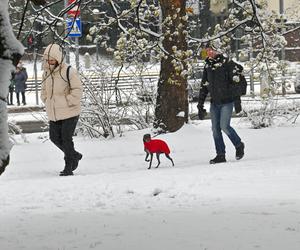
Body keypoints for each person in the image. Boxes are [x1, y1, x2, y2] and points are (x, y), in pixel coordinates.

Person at [197, 43, 245, 164]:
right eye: (207, 51)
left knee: (224, 126)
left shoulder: (227, 63)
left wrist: (237, 102)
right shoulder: (208, 65)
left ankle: (239, 145)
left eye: (211, 50)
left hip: (227, 102)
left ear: (217, 50)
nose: (209, 53)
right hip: (215, 103)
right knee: (215, 129)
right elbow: (204, 86)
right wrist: (200, 104)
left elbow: (236, 82)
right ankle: (220, 154)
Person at [41, 43, 83, 176]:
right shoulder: (46, 73)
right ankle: (74, 155)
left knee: (66, 138)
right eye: (47, 59)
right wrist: (46, 99)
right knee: (54, 138)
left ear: (58, 58)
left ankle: (68, 166)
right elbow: (44, 90)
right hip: (54, 113)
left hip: (70, 111)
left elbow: (77, 89)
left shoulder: (69, 71)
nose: (49, 62)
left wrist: (67, 101)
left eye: (52, 59)